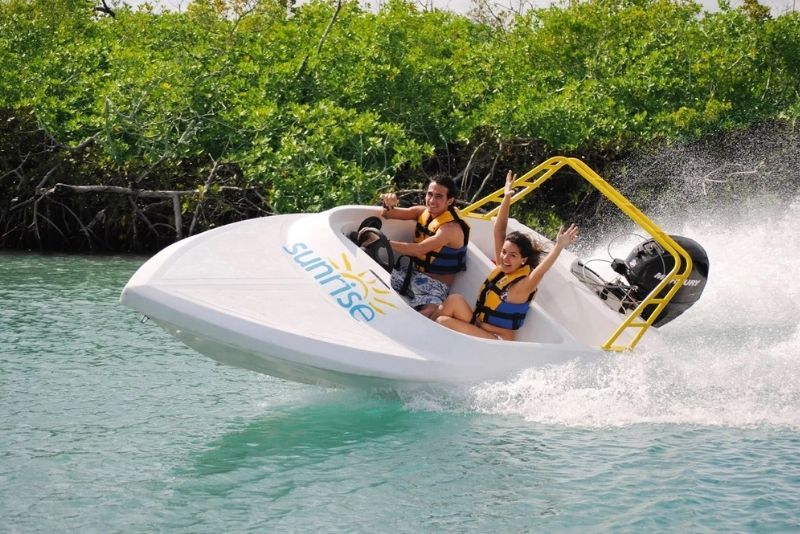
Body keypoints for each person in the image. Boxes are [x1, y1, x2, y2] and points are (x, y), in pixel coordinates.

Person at [432, 170, 578, 341]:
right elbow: (499, 229)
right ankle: (424, 326)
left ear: (523, 260)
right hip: (481, 327)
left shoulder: (522, 285)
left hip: (497, 340)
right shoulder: (504, 268)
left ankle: (429, 332)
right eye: (504, 252)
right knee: (455, 300)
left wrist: (559, 247)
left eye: (512, 255)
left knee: (443, 321)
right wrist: (507, 196)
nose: (505, 258)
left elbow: (540, 271)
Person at [379, 174, 470, 318]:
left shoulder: (451, 229)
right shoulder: (422, 212)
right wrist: (388, 203)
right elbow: (387, 214)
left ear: (450, 200)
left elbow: (419, 250)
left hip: (435, 286)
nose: (432, 200)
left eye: (439, 196)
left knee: (426, 315)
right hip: (411, 274)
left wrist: (383, 243)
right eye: (430, 194)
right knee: (373, 272)